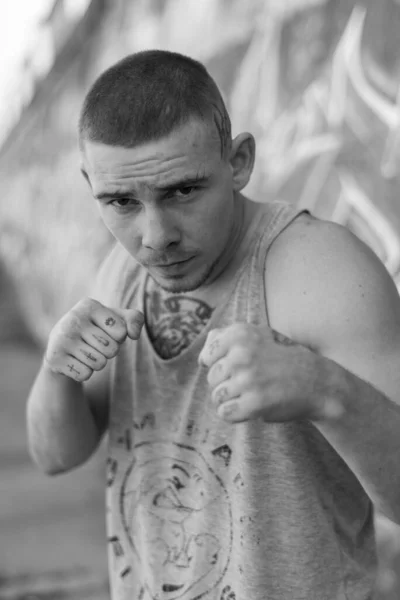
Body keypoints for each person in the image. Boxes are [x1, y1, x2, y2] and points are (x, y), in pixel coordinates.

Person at [26, 49, 400, 600]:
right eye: (121, 201)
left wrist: (325, 390)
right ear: (92, 184)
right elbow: (55, 456)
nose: (155, 237)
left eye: (182, 191)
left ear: (239, 161)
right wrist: (57, 372)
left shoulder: (321, 270)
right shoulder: (121, 269)